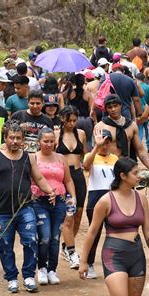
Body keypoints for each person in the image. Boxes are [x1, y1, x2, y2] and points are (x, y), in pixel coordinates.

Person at [79, 157, 149, 296]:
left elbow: (147, 229)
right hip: (114, 256)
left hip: (137, 255)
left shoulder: (141, 199)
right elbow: (92, 231)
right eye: (135, 173)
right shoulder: (106, 200)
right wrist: (84, 261)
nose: (139, 176)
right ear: (123, 175)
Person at [0, 121, 56, 293]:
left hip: (25, 208)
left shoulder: (29, 157)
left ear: (23, 140)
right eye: (11, 138)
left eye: (18, 138)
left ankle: (28, 276)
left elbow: (39, 179)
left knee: (30, 241)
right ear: (5, 138)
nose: (14, 141)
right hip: (2, 211)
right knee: (5, 245)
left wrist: (50, 191)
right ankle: (12, 278)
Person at [31, 127, 76, 285]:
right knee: (44, 236)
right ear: (39, 142)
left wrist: (73, 198)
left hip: (59, 200)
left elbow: (68, 180)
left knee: (56, 237)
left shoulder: (61, 158)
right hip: (39, 200)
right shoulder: (33, 158)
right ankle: (42, 267)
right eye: (45, 141)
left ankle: (52, 269)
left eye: (51, 141)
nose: (49, 144)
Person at [82, 128, 118, 279]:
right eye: (102, 143)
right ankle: (89, 263)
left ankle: (115, 263)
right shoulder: (90, 156)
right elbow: (86, 166)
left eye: (107, 143)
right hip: (95, 198)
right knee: (94, 233)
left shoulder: (115, 159)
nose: (104, 145)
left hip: (112, 198)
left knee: (115, 233)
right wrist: (96, 147)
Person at [54, 106, 87, 269]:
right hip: (63, 177)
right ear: (62, 119)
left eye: (75, 120)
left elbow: (84, 154)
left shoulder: (80, 133)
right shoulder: (55, 134)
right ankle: (71, 250)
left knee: (79, 213)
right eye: (69, 121)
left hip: (78, 176)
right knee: (69, 214)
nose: (72, 124)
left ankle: (67, 245)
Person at [94, 94, 149, 173]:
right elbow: (97, 150)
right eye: (110, 107)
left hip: (127, 167)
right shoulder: (101, 126)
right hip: (109, 167)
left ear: (121, 106)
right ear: (106, 109)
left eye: (115, 106)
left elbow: (140, 150)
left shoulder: (131, 125)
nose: (113, 109)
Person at [64, 73, 94, 149]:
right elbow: (91, 110)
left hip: (74, 120)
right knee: (88, 141)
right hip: (86, 120)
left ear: (74, 82)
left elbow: (61, 96)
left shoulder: (70, 93)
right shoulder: (88, 95)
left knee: (74, 139)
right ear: (84, 82)